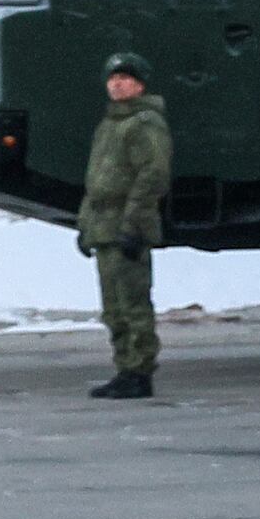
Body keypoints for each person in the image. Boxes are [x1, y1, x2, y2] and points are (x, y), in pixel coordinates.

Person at [76, 52, 171, 399]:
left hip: (126, 225)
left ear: (140, 84)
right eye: (113, 78)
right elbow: (96, 180)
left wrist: (134, 225)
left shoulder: (144, 123)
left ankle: (139, 370)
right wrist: (86, 225)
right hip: (104, 226)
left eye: (125, 78)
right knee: (113, 308)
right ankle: (124, 367)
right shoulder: (110, 125)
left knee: (133, 303)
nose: (117, 83)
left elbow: (152, 176)